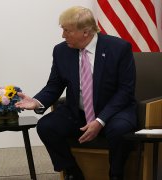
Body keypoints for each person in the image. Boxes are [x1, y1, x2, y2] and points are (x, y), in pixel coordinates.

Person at [15, 6, 136, 180]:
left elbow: (126, 90)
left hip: (113, 111)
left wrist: (100, 120)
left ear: (85, 32)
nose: (63, 35)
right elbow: (55, 85)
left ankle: (116, 174)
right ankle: (72, 172)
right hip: (78, 112)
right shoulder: (61, 50)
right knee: (46, 126)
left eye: (67, 30)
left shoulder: (119, 48)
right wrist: (37, 102)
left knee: (120, 130)